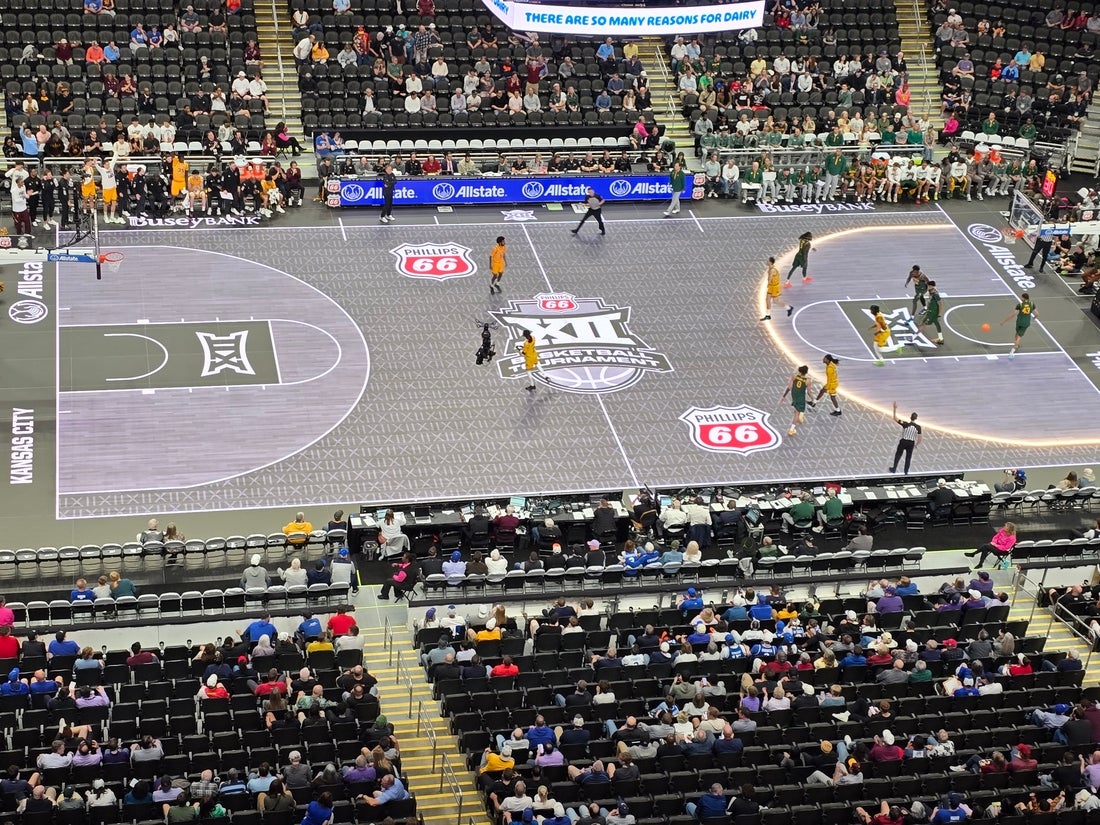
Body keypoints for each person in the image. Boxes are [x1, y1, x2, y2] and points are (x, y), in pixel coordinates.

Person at [1000, 291, 1036, 360]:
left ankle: (1015, 347)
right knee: (1019, 336)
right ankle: (1013, 349)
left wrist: (1004, 321)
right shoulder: (1032, 304)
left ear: (1024, 298)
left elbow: (1013, 314)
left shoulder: (1020, 305)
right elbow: (1037, 313)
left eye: (1021, 297)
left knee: (1017, 334)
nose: (1021, 298)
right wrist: (1035, 317)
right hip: (1025, 323)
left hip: (1019, 322)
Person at [888, 402, 922, 475]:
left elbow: (895, 418)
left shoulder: (905, 424)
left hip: (903, 441)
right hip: (911, 443)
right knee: (908, 458)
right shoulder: (918, 427)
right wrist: (916, 445)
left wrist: (894, 408)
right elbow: (920, 438)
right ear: (916, 418)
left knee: (898, 455)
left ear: (910, 417)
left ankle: (894, 469)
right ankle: (906, 472)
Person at [781, 365, 811, 437]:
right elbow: (809, 392)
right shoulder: (808, 381)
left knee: (797, 409)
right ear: (806, 372)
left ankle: (800, 416)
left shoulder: (794, 376)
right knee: (797, 413)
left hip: (794, 395)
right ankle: (792, 429)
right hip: (801, 397)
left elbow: (789, 387)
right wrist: (813, 399)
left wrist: (784, 396)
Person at [760, 256, 793, 321]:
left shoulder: (772, 270)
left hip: (775, 287)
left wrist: (768, 284)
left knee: (776, 301)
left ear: (770, 262)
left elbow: (770, 278)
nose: (766, 261)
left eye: (768, 261)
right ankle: (768, 315)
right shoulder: (770, 268)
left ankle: (789, 308)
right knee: (767, 300)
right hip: (771, 286)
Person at [917, 280, 944, 346]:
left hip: (933, 313)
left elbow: (940, 304)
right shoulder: (930, 291)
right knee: (936, 324)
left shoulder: (936, 295)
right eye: (928, 286)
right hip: (930, 311)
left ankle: (914, 337)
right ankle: (941, 339)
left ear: (932, 286)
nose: (928, 287)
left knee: (923, 323)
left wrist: (939, 314)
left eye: (929, 286)